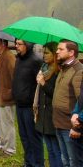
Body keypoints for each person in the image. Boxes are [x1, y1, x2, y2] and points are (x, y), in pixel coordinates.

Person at [12, 39, 44, 166]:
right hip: (19, 105)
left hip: (30, 107)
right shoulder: (19, 59)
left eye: (19, 44)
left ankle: (37, 164)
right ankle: (28, 163)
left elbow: (40, 85)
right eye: (16, 44)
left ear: (28, 45)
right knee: (24, 137)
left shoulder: (36, 61)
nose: (16, 46)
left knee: (33, 138)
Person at [53, 39, 83, 167]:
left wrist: (77, 126)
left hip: (70, 126)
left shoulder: (78, 71)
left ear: (71, 52)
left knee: (74, 162)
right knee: (65, 160)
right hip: (59, 122)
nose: (56, 51)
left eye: (60, 49)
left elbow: (81, 100)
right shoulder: (63, 68)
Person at [34, 42, 64, 167]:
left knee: (56, 150)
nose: (44, 55)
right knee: (50, 150)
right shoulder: (44, 69)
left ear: (54, 54)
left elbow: (54, 94)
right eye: (43, 52)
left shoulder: (58, 72)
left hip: (52, 115)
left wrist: (43, 83)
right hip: (44, 115)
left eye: (47, 53)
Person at [0, 38, 17, 157]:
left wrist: (10, 92)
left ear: (4, 43)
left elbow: (15, 76)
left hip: (5, 94)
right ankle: (3, 145)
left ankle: (10, 149)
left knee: (7, 122)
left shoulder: (9, 56)